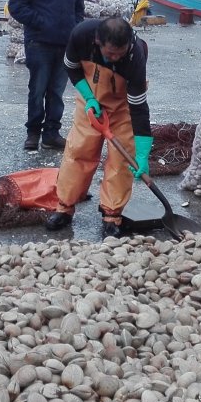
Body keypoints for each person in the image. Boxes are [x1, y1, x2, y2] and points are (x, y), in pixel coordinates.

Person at [44, 17, 151, 237]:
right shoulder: (81, 35)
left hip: (123, 106)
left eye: (120, 54)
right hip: (90, 100)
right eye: (110, 54)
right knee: (78, 151)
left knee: (121, 160)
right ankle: (64, 207)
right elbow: (71, 68)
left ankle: (112, 214)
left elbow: (139, 108)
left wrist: (142, 154)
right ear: (97, 42)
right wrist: (89, 98)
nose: (115, 58)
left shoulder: (135, 56)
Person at [8, 0, 84, 151]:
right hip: (39, 43)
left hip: (65, 45)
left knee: (57, 92)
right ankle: (33, 133)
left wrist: (74, 26)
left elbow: (78, 8)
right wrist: (40, 22)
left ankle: (51, 133)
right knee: (38, 89)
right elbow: (17, 5)